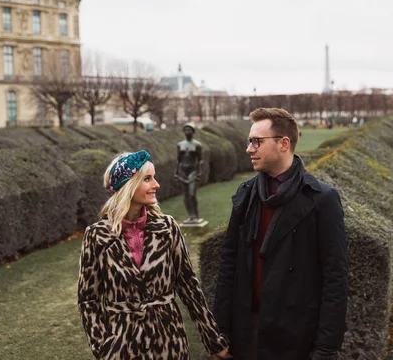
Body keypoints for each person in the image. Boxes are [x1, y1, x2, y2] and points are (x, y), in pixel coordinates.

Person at [213, 108, 348, 360]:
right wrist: (219, 330)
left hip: (296, 335)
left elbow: (335, 278)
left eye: (256, 142)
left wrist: (327, 346)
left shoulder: (322, 199)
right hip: (248, 329)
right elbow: (229, 265)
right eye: (249, 141)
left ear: (284, 144)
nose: (249, 149)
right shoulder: (246, 194)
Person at [78, 150, 230, 359]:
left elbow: (189, 287)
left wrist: (213, 340)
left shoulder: (167, 228)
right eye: (147, 179)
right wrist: (103, 347)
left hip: (169, 342)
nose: (156, 185)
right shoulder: (96, 236)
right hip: (122, 345)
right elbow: (88, 300)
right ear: (128, 185)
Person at [174, 122, 203, 224]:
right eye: (185, 130)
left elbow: (199, 160)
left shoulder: (197, 145)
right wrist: (176, 172)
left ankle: (195, 215)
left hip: (192, 172)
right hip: (182, 171)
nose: (187, 132)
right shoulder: (180, 145)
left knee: (192, 194)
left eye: (189, 130)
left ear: (193, 131)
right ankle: (190, 215)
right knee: (185, 195)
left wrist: (199, 172)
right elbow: (178, 160)